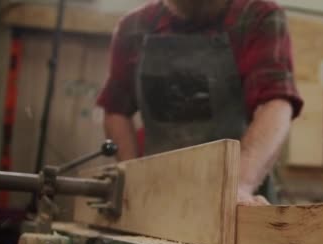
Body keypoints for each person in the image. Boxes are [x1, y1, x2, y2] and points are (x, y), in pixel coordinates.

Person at [97, 0, 303, 205]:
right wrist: (132, 179)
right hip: (158, 191)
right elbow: (116, 110)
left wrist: (240, 185)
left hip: (241, 187)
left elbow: (276, 103)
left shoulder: (258, 16)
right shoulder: (134, 27)